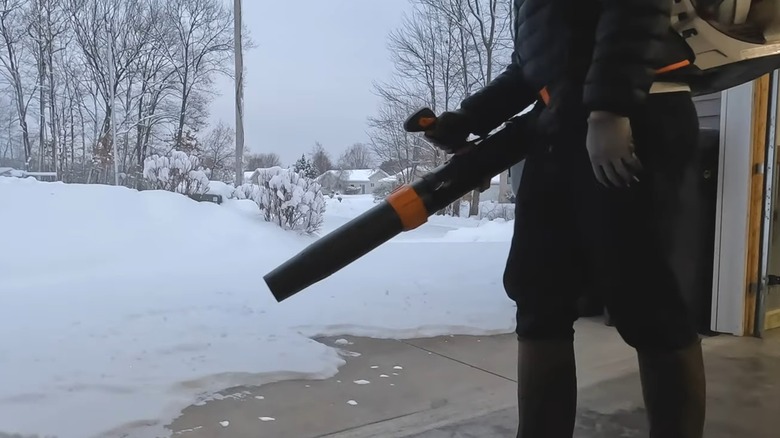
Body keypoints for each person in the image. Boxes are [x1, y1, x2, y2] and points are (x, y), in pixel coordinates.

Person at [424, 0, 706, 437]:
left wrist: (610, 108)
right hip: (558, 127)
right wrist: (468, 118)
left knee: (650, 301)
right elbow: (533, 67)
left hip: (637, 116)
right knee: (539, 295)